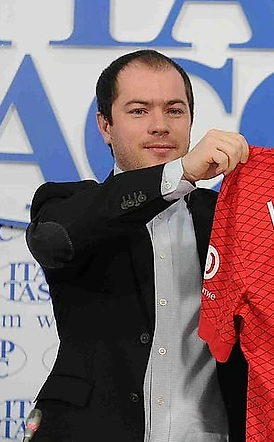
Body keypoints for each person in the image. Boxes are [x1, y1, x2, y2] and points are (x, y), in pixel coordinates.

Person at [25, 49, 249, 442]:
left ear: (191, 120)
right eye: (139, 110)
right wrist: (180, 173)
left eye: (174, 110)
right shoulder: (67, 203)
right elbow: (58, 239)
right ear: (105, 126)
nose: (160, 126)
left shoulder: (232, 216)